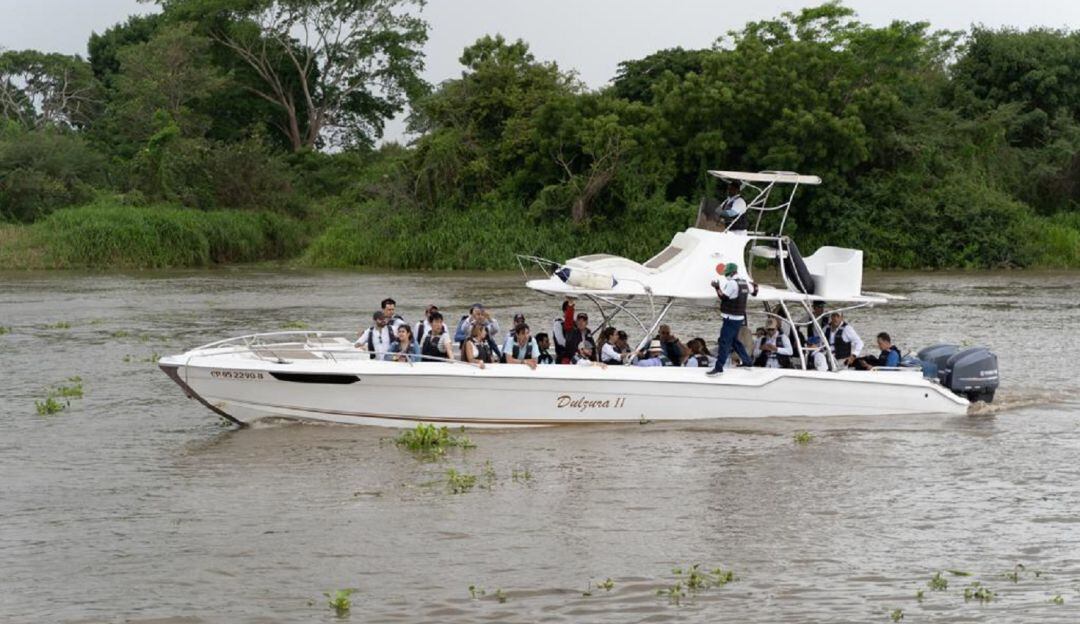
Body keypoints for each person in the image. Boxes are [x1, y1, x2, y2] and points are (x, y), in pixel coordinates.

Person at [707, 262, 755, 376]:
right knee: (734, 342)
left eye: (726, 273)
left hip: (730, 318)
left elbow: (723, 297)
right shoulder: (745, 282)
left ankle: (719, 368)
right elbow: (755, 291)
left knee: (724, 342)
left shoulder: (732, 283)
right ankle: (747, 362)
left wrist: (717, 287)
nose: (725, 276)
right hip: (739, 318)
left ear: (731, 272)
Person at [552, 297, 575, 363]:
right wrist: (573, 347)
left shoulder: (574, 323)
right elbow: (560, 341)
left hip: (573, 354)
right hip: (562, 355)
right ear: (565, 311)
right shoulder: (558, 324)